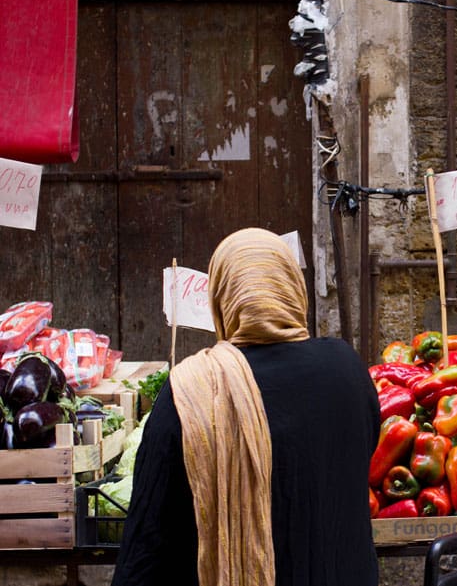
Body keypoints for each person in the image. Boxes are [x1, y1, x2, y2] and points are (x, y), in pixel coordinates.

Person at [112, 228, 381, 586]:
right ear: (293, 289)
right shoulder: (347, 369)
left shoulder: (190, 391)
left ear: (222, 299)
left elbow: (149, 539)